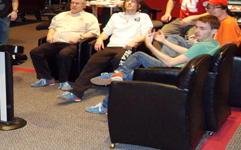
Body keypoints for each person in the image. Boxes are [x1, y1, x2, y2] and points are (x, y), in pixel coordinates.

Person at [86, 15, 221, 113]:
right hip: (181, 73)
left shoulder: (200, 46)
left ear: (213, 31)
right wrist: (165, 42)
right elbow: (188, 51)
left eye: (202, 29)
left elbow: (170, 62)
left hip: (171, 72)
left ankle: (115, 79)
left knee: (138, 56)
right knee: (129, 74)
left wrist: (150, 45)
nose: (197, 31)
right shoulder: (213, 44)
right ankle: (114, 85)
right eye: (196, 27)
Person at [57, 0, 153, 101]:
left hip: (128, 47)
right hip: (111, 46)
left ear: (138, 5)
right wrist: (100, 39)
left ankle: (118, 95)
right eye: (127, 1)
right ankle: (76, 92)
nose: (129, 3)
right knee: (93, 61)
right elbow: (106, 31)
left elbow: (146, 34)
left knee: (119, 61)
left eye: (133, 1)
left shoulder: (143, 17)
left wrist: (134, 41)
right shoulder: (116, 16)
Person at [29, 0, 100, 90]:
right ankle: (46, 78)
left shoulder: (90, 17)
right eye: (72, 3)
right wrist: (50, 35)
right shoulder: (61, 15)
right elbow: (52, 27)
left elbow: (94, 33)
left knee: (64, 54)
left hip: (73, 43)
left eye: (77, 3)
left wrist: (80, 36)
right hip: (56, 42)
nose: (74, 5)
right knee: (35, 52)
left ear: (84, 5)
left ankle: (64, 81)